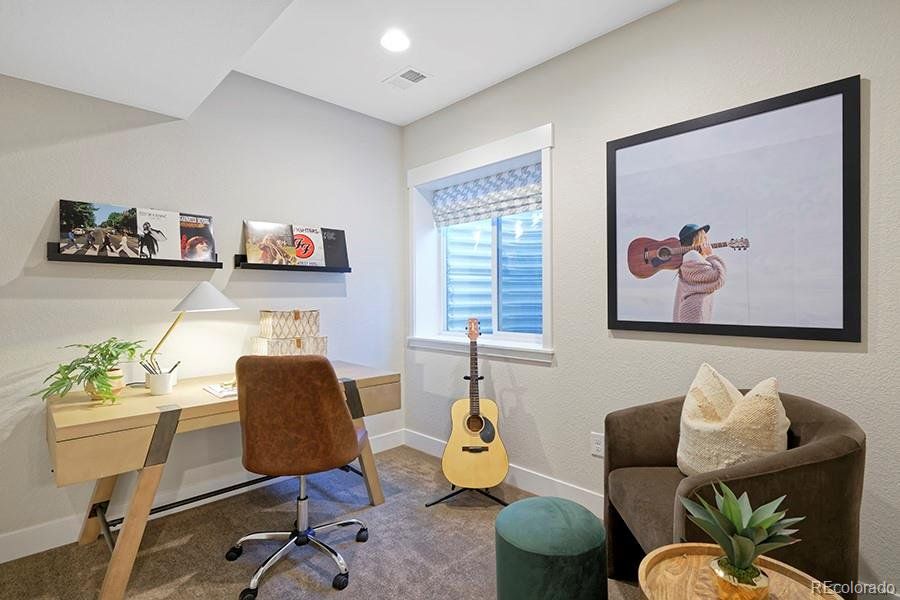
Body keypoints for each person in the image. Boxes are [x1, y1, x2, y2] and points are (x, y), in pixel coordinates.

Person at [673, 223, 726, 323]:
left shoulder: (690, 259)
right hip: (694, 311)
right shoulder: (692, 255)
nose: (707, 241)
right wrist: (710, 255)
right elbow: (718, 277)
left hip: (692, 310)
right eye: (704, 238)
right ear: (697, 239)